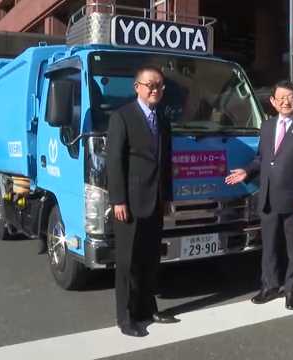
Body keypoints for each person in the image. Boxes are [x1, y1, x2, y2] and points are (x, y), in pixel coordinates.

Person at [225, 80, 293, 310]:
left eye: (290, 97)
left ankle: (292, 290)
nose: (286, 102)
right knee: (269, 247)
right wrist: (247, 170)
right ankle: (269, 286)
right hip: (268, 198)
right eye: (281, 98)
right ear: (273, 102)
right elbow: (262, 158)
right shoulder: (267, 127)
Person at [107, 65, 178, 337]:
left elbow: (166, 161)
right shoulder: (122, 117)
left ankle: (148, 308)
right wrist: (118, 200)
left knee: (150, 260)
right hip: (131, 203)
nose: (155, 89)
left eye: (159, 85)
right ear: (137, 87)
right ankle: (125, 317)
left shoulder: (163, 119)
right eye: (149, 85)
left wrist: (168, 196)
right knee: (127, 262)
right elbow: (114, 162)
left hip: (156, 201)